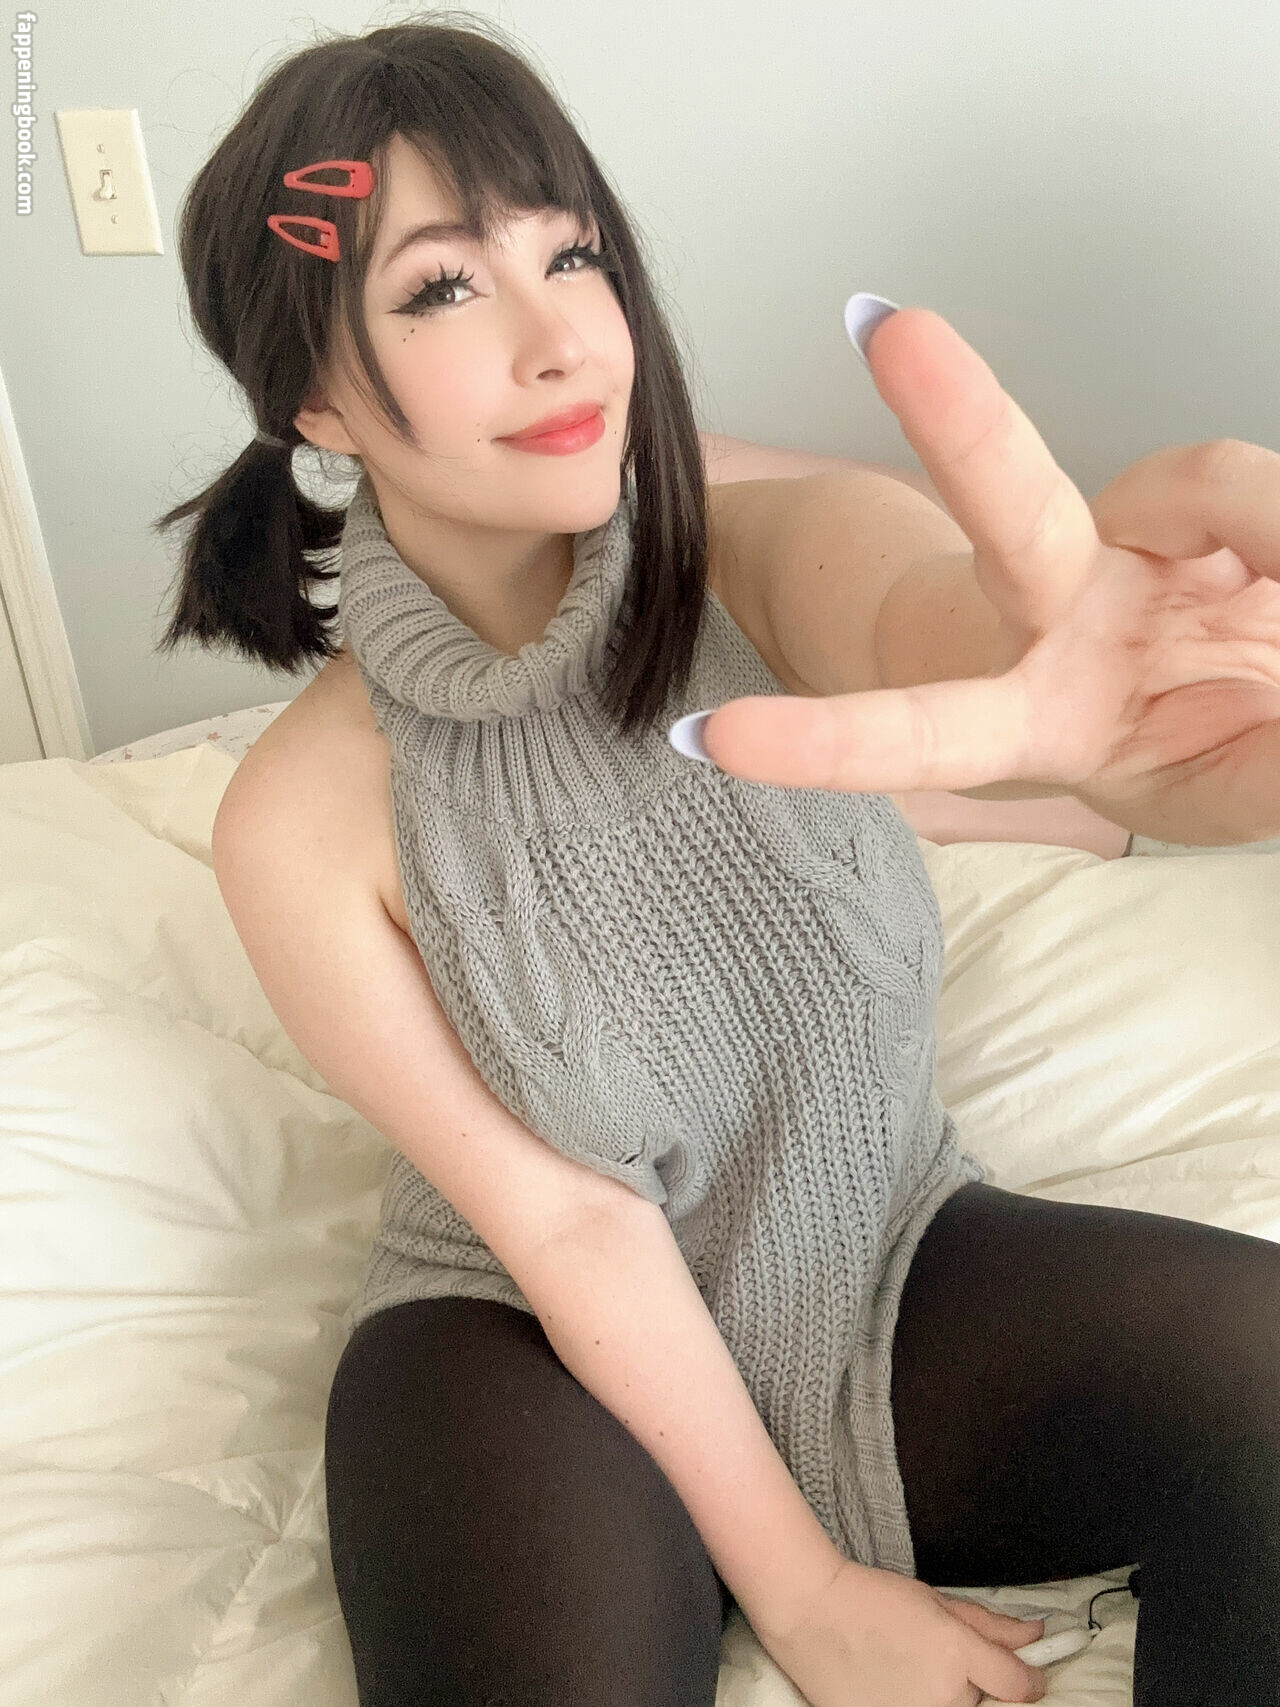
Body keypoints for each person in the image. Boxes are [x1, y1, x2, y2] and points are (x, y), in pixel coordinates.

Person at [157, 16, 1280, 1707]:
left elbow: (921, 618)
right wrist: (808, 1594)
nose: (561, 339)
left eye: (574, 254)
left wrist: (1073, 684)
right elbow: (570, 1225)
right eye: (443, 287)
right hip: (521, 1344)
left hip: (881, 1247)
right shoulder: (296, 821)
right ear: (314, 395)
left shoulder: (754, 546)